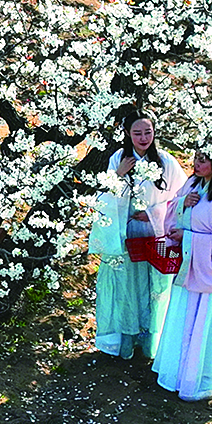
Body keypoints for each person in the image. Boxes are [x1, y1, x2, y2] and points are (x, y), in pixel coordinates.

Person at [87, 112, 187, 360]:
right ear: (128, 134)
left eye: (148, 132)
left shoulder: (166, 161)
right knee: (125, 285)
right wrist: (119, 175)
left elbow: (179, 197)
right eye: (137, 133)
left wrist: (154, 213)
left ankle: (151, 341)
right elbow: (104, 199)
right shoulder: (118, 158)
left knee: (154, 286)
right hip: (125, 231)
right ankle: (123, 342)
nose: (143, 138)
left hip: (154, 233)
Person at [154, 141, 212, 402]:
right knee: (184, 319)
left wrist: (189, 238)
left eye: (204, 160)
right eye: (196, 158)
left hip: (211, 266)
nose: (196, 164)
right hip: (190, 263)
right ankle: (178, 374)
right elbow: (172, 211)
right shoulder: (193, 184)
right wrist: (184, 202)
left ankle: (200, 380)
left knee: (205, 323)